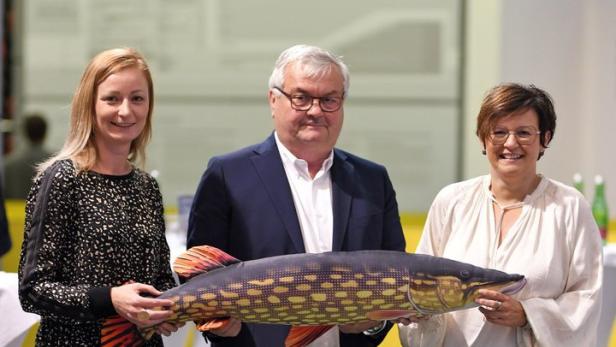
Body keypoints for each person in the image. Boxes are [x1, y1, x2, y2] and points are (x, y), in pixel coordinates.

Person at [187, 44, 406, 347]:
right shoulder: (226, 175)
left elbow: (395, 275)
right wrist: (220, 327)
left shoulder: (372, 180)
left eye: (329, 99)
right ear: (273, 100)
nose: (315, 111)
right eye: (301, 98)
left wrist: (374, 324)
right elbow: (200, 272)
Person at [398, 83, 603, 346]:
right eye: (499, 132)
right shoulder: (452, 201)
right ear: (483, 138)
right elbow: (421, 286)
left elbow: (586, 298)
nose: (510, 143)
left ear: (546, 138)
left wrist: (528, 314)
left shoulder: (569, 207)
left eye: (524, 133)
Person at [18, 48, 181, 346]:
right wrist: (111, 299)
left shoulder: (146, 187)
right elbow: (33, 291)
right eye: (112, 98)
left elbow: (160, 278)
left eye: (137, 98)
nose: (125, 111)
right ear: (89, 105)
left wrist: (165, 307)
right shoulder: (62, 179)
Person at [4, 113, 52, 199]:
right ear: (45, 133)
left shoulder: (8, 164)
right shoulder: (55, 164)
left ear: (25, 133)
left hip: (13, 211)